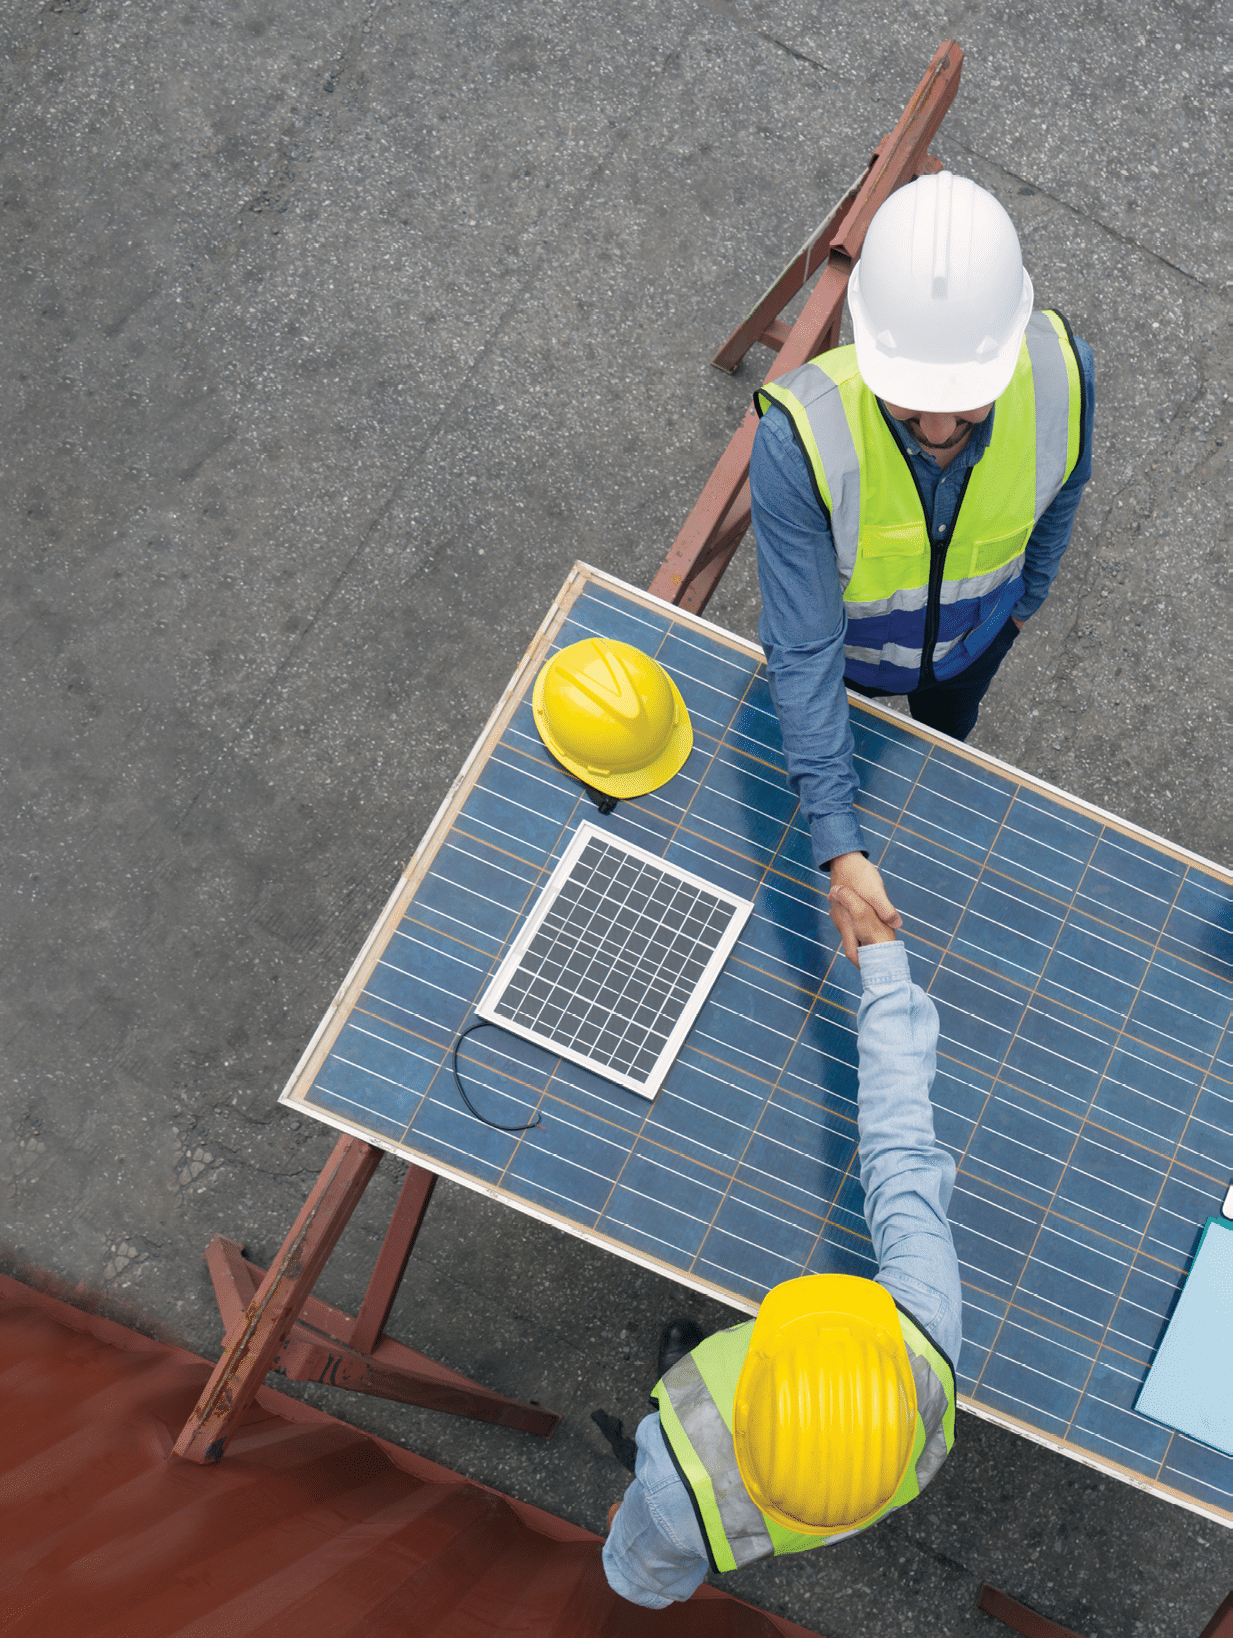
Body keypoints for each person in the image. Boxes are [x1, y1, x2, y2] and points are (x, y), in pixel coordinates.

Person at [751, 170, 1095, 958]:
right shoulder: (797, 441)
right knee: (838, 783)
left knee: (937, 769)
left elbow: (1065, 487)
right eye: (910, 402)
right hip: (846, 668)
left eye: (966, 401)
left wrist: (1022, 605)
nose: (940, 426)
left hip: (974, 650)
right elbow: (803, 650)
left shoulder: (1063, 376)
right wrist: (840, 845)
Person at [601, 884, 961, 1607]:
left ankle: (683, 1388)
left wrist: (627, 1531)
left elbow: (637, 1573)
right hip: (848, 1490)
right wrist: (885, 971)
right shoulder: (925, 1329)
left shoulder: (675, 1484)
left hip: (688, 1496)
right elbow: (900, 1145)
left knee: (643, 1533)